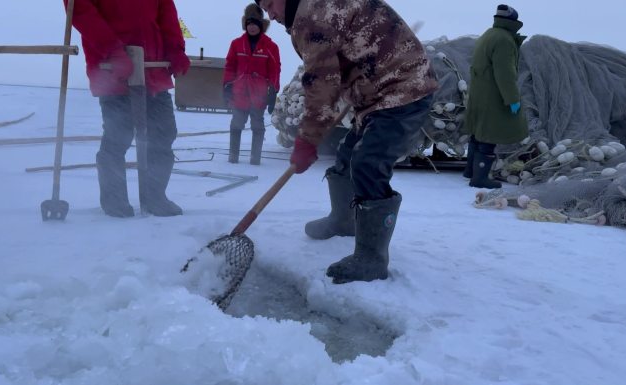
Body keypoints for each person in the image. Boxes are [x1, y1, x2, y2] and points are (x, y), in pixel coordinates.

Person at [255, 0, 438, 284]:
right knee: (347, 156)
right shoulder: (313, 8)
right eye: (265, 10)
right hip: (375, 91)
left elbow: (321, 82)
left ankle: (372, 259)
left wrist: (307, 140)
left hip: (403, 88)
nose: (271, 15)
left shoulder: (311, 15)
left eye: (270, 4)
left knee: (368, 163)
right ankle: (343, 220)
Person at [66, 0, 190, 217]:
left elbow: (167, 14)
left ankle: (155, 197)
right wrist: (111, 50)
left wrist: (176, 50)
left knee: (163, 134)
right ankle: (115, 201)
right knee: (117, 136)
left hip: (154, 68)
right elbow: (81, 11)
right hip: (113, 69)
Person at [462, 4, 529, 189]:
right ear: (514, 22)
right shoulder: (504, 40)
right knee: (489, 136)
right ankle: (480, 178)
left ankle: (470, 171)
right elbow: (505, 74)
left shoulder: (488, 35)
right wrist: (513, 100)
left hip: (479, 94)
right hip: (493, 96)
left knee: (478, 133)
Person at [223, 4, 281, 165]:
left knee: (257, 124)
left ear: (261, 25)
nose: (252, 27)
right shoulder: (236, 44)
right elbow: (229, 66)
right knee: (237, 122)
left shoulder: (270, 46)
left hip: (259, 93)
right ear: (245, 25)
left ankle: (255, 159)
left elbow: (275, 70)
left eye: (255, 23)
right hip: (239, 91)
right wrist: (226, 85)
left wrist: (273, 91)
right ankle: (233, 156)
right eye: (249, 24)